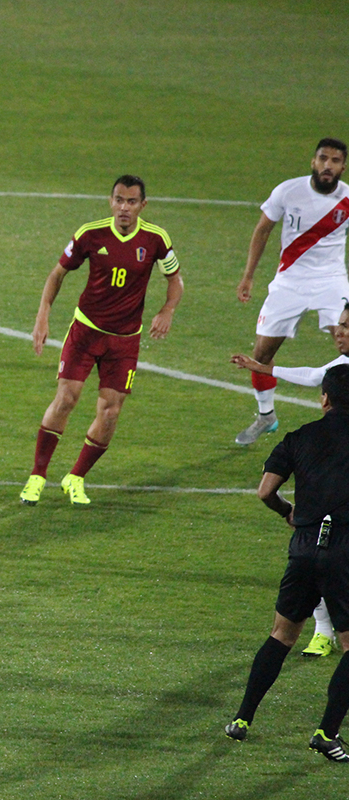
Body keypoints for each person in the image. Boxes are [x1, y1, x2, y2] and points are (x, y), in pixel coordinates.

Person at [19, 176, 183, 506]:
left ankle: (75, 477)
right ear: (110, 201)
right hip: (86, 330)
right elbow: (57, 274)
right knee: (67, 397)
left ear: (143, 206)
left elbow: (175, 280)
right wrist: (42, 314)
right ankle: (37, 476)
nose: (124, 207)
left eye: (132, 202)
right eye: (119, 200)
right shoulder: (90, 234)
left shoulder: (155, 239)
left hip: (124, 340)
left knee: (110, 412)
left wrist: (167, 309)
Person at [224, 364, 349, 762]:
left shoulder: (300, 437)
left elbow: (265, 491)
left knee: (282, 634)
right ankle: (326, 733)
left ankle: (242, 719)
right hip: (345, 548)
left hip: (304, 544)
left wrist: (287, 512)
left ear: (324, 398)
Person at [232, 302, 349, 657]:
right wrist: (262, 367)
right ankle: (323, 630)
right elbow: (315, 376)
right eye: (339, 325)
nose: (338, 332)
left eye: (345, 326)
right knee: (322, 549)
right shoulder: (341, 366)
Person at [233, 138, 349, 445]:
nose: (328, 165)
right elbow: (262, 229)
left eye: (335, 161)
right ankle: (266, 415)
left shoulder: (348, 198)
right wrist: (248, 277)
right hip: (289, 282)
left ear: (342, 167)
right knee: (261, 353)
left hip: (331, 281)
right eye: (323, 158)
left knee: (348, 344)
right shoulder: (288, 191)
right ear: (313, 161)